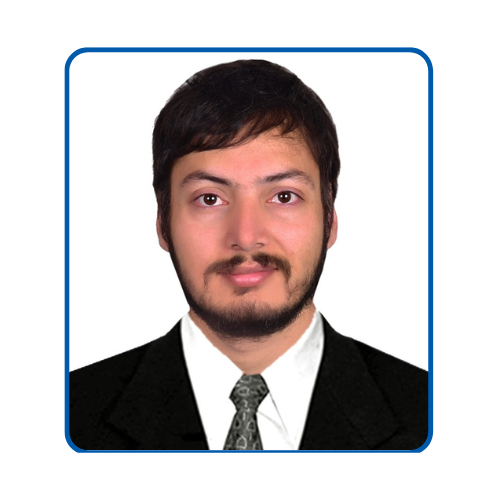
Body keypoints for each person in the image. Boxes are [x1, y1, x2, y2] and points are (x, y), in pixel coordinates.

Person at [69, 59, 428, 451]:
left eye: (284, 196)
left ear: (330, 218)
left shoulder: (433, 414)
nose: (246, 237)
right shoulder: (67, 415)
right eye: (210, 199)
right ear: (163, 223)